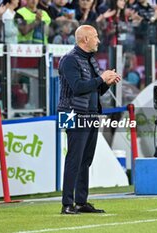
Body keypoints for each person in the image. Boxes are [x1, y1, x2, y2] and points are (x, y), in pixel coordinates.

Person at [58, 25, 120, 214]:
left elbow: (95, 89)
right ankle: (67, 204)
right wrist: (101, 78)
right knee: (74, 158)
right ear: (85, 39)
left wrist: (107, 83)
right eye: (95, 37)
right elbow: (77, 87)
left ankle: (81, 202)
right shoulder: (69, 60)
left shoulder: (90, 60)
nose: (98, 40)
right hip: (72, 113)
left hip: (91, 113)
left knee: (86, 159)